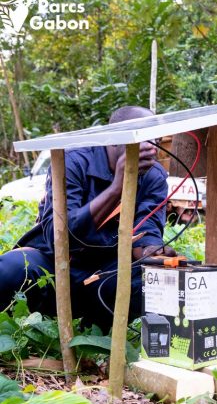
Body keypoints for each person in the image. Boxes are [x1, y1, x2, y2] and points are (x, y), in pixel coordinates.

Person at [0, 106, 175, 331]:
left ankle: (96, 338)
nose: (151, 148)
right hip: (55, 263)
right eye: (143, 138)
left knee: (152, 282)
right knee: (11, 269)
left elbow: (146, 232)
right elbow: (60, 235)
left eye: (156, 140)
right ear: (114, 137)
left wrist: (155, 254)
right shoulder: (72, 160)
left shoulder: (154, 176)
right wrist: (117, 187)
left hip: (105, 273)